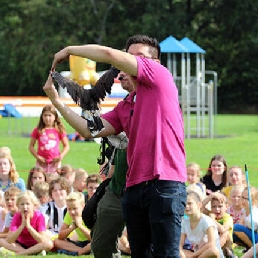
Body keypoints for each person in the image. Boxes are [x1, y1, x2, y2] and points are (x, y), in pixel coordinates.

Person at [44, 34, 187, 257]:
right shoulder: (125, 106)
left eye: (138, 56)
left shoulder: (160, 77)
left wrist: (70, 49)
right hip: (133, 187)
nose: (128, 60)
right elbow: (88, 129)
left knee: (166, 254)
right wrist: (56, 101)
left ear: (155, 62)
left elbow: (110, 54)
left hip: (165, 183)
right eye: (128, 56)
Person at [90, 71, 133, 258]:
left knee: (146, 248)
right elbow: (91, 128)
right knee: (100, 246)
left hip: (145, 190)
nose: (121, 77)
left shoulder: (153, 108)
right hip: (116, 191)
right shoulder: (123, 109)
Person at [0, 190, 53, 256]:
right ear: (18, 206)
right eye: (22, 204)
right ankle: (30, 252)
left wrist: (28, 226)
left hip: (36, 244)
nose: (25, 207)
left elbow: (41, 240)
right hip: (20, 244)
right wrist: (22, 226)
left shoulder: (39, 216)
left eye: (27, 204)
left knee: (49, 244)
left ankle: (18, 254)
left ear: (34, 205)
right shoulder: (17, 216)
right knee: (1, 241)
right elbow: (10, 240)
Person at [180, 190, 223, 258]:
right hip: (197, 254)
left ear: (199, 205)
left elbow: (211, 244)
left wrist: (193, 255)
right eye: (184, 204)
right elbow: (180, 245)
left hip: (209, 254)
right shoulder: (184, 222)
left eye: (190, 203)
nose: (186, 206)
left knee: (213, 250)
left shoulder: (206, 221)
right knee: (175, 250)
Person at [28, 104, 70, 173]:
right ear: (42, 117)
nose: (47, 118)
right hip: (41, 162)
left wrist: (60, 156)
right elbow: (31, 146)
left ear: (55, 117)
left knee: (54, 179)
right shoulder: (38, 130)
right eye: (45, 115)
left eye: (49, 115)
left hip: (55, 162)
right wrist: (38, 157)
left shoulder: (59, 130)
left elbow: (66, 146)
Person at [54, 191, 91, 256]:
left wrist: (80, 226)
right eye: (69, 209)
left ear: (83, 206)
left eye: (75, 208)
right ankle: (82, 251)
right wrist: (72, 228)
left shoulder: (89, 214)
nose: (72, 212)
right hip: (80, 243)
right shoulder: (69, 214)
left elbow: (94, 238)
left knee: (95, 243)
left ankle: (79, 252)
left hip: (91, 242)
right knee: (57, 241)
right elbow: (60, 237)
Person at [202, 191, 235, 257]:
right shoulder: (210, 214)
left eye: (220, 206)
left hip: (225, 247)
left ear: (226, 206)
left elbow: (222, 230)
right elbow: (199, 207)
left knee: (225, 234)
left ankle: (214, 251)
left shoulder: (227, 218)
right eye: (214, 206)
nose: (217, 209)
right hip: (210, 244)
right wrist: (211, 196)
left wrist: (212, 220)